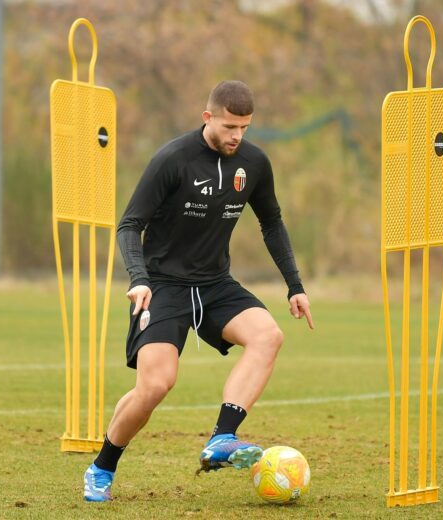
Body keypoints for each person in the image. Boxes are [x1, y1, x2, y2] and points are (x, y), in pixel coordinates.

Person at [83, 80, 314, 502]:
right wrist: (137, 279)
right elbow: (129, 224)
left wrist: (294, 286)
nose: (236, 136)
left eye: (244, 127)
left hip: (214, 283)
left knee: (268, 335)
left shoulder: (255, 164)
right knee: (154, 386)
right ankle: (102, 466)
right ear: (207, 117)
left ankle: (223, 437)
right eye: (229, 126)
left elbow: (272, 223)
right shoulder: (173, 159)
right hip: (162, 286)